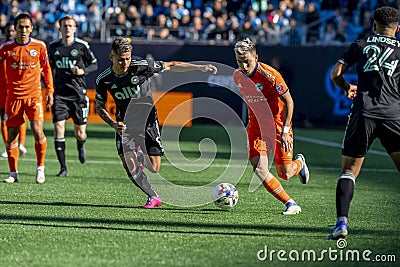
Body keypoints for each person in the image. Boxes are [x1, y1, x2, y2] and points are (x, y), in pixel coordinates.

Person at [95, 37, 217, 208]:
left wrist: (199, 67)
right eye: (121, 59)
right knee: (129, 165)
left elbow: (172, 65)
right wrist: (113, 124)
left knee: (154, 168)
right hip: (125, 125)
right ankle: (153, 197)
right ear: (111, 57)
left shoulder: (141, 67)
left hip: (148, 120)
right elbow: (99, 107)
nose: (125, 63)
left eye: (128, 58)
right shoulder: (104, 79)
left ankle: (140, 155)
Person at [328, 6, 400, 240]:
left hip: (364, 112)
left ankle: (341, 224)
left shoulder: (361, 44)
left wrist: (347, 87)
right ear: (397, 28)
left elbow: (336, 73)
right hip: (393, 115)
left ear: (373, 25)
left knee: (349, 171)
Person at [232, 38, 309, 215]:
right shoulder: (237, 76)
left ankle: (299, 164)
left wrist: (286, 130)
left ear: (256, 57)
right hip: (256, 128)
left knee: (285, 173)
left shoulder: (270, 74)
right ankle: (291, 203)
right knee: (260, 169)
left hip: (278, 126)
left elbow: (289, 101)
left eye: (247, 62)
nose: (244, 66)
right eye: (239, 62)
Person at [0, 12, 54, 183]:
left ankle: (40, 168)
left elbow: (47, 70)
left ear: (31, 28)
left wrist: (50, 91)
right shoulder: (6, 49)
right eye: (20, 27)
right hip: (13, 97)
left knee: (38, 131)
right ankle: (13, 173)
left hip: (34, 96)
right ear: (14, 29)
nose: (23, 30)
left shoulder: (39, 46)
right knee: (12, 134)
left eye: (26, 27)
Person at [48, 15, 98, 177]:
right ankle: (63, 168)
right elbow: (48, 68)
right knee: (58, 128)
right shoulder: (53, 47)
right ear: (60, 28)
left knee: (80, 132)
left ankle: (80, 144)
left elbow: (94, 64)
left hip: (78, 95)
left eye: (71, 25)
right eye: (65, 25)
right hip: (60, 95)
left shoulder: (82, 46)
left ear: (75, 28)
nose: (68, 28)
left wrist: (83, 71)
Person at [0, 22, 28, 158]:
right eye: (9, 31)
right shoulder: (3, 48)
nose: (11, 33)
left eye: (13, 30)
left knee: (20, 118)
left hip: (17, 89)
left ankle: (21, 144)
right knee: (4, 120)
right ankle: (8, 146)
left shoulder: (22, 48)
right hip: (3, 91)